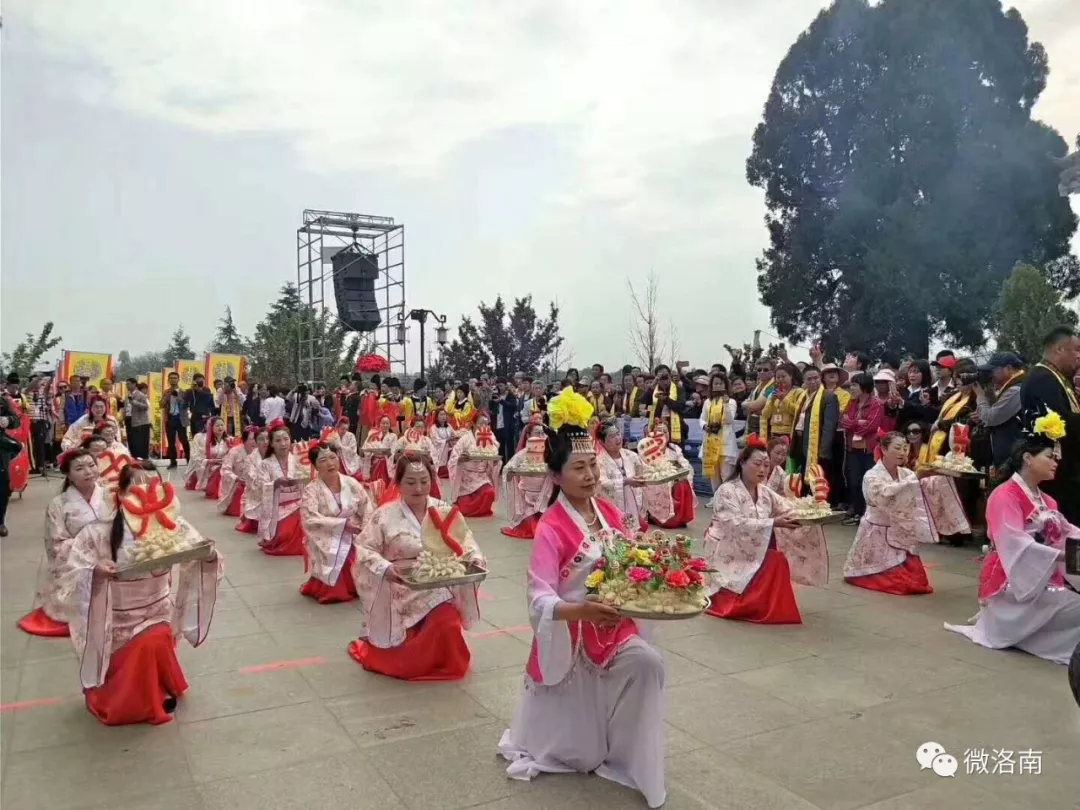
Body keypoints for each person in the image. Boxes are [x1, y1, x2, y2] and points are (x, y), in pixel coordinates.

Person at [498, 390, 666, 809]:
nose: (590, 475)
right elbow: (539, 597)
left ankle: (631, 753)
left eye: (593, 464)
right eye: (579, 467)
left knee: (649, 665)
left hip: (614, 624)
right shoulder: (551, 527)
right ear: (555, 477)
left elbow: (631, 560)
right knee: (580, 755)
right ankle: (593, 741)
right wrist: (582, 610)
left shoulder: (609, 513)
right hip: (573, 634)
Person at [58, 462, 222, 725]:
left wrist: (209, 556)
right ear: (122, 494)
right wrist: (95, 571)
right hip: (117, 615)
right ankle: (135, 696)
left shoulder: (173, 524)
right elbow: (71, 572)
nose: (146, 490)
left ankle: (155, 690)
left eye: (153, 484)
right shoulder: (100, 531)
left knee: (156, 636)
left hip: (157, 608)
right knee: (149, 641)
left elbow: (198, 551)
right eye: (137, 485)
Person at [945, 414, 1080, 663]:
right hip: (1013, 577)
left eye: (1056, 458)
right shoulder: (1004, 495)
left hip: (1042, 574)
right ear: (1028, 458)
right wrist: (1062, 555)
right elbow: (1014, 543)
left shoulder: (1047, 501)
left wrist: (1072, 549)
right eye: (1050, 457)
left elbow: (1069, 533)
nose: (1056, 462)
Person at [349, 453, 484, 679]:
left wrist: (475, 558)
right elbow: (364, 549)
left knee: (446, 618)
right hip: (403, 581)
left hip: (442, 575)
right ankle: (412, 660)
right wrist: (384, 568)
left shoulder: (444, 509)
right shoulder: (384, 515)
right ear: (398, 482)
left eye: (424, 481)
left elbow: (465, 539)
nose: (419, 488)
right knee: (437, 620)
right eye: (410, 482)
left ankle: (444, 661)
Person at [703, 437, 808, 624]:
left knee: (777, 559)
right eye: (757, 464)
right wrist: (773, 522)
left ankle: (766, 605)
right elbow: (733, 524)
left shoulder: (765, 492)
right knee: (774, 560)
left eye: (766, 465)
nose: (762, 470)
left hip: (753, 546)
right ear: (742, 463)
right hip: (727, 547)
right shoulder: (727, 490)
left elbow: (787, 506)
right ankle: (752, 604)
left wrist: (812, 509)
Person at [18, 449, 106, 637]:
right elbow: (57, 544)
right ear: (68, 474)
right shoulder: (58, 504)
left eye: (91, 465)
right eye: (80, 468)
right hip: (78, 562)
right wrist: (89, 555)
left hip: (110, 555)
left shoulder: (110, 496)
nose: (88, 472)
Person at [843, 431, 937, 594]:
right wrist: (916, 477)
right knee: (901, 584)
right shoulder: (871, 476)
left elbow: (919, 492)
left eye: (905, 448)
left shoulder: (906, 473)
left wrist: (937, 476)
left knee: (919, 582)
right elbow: (883, 496)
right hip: (878, 531)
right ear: (884, 450)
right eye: (898, 448)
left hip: (901, 530)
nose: (902, 453)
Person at [299, 442, 375, 604]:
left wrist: (365, 528)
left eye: (333, 457)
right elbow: (309, 518)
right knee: (340, 553)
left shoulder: (351, 483)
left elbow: (366, 505)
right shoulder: (311, 490)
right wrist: (341, 525)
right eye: (323, 460)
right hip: (327, 535)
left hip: (354, 531)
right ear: (315, 466)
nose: (330, 463)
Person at [1020, 326, 1080, 524]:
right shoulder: (1042, 378)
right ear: (1059, 349)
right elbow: (1057, 422)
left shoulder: (1057, 378)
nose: (1079, 356)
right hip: (1055, 475)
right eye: (1077, 349)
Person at [904, 423, 971, 541]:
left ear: (922, 433)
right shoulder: (903, 449)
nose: (911, 435)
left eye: (915, 431)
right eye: (908, 432)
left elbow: (935, 467)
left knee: (940, 483)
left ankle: (953, 530)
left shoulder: (931, 447)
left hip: (927, 481)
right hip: (908, 482)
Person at [254, 420, 306, 556]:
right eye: (277, 440)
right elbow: (261, 487)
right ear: (271, 443)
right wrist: (276, 483)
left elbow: (308, 482)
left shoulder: (298, 459)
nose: (283, 444)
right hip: (277, 506)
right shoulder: (265, 464)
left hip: (299, 502)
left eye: (285, 439)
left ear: (291, 440)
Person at [841, 372, 884, 525]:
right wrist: (857, 423)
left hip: (869, 449)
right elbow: (842, 422)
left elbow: (870, 427)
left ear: (865, 387)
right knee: (854, 481)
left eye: (854, 385)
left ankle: (868, 514)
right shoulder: (851, 403)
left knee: (869, 482)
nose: (851, 388)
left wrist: (853, 423)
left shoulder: (876, 403)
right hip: (853, 448)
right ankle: (857, 511)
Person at [500, 418, 553, 539]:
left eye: (542, 433)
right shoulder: (522, 454)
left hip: (545, 496)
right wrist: (510, 475)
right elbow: (508, 469)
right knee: (532, 526)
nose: (541, 436)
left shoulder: (549, 454)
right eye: (537, 433)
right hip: (526, 498)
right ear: (528, 435)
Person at [974, 352, 1025, 473]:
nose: (991, 375)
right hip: (1010, 455)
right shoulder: (1011, 387)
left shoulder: (1016, 390)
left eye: (994, 370)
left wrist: (980, 396)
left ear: (1008, 368)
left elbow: (991, 418)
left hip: (1013, 458)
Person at [640, 421, 696, 528]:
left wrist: (681, 470)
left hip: (674, 477)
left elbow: (684, 463)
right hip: (656, 479)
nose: (662, 434)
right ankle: (659, 517)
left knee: (683, 483)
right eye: (659, 431)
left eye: (665, 431)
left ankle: (680, 518)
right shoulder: (647, 448)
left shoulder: (674, 448)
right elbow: (645, 468)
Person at [596, 419, 647, 532]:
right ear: (601, 441)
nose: (618, 438)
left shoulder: (632, 456)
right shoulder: (599, 461)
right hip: (612, 506)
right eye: (612, 436)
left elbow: (644, 473)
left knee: (634, 534)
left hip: (633, 503)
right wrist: (626, 481)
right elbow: (602, 482)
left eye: (618, 434)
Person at [447, 411, 501, 517]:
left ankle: (481, 510)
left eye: (486, 424)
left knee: (489, 492)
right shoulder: (465, 438)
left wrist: (494, 461)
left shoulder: (490, 436)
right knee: (465, 506)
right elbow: (453, 458)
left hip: (482, 476)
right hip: (466, 477)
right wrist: (460, 459)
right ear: (474, 423)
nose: (483, 426)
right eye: (481, 423)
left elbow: (494, 453)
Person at [700, 373, 738, 503]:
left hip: (725, 442)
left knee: (725, 473)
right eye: (715, 383)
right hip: (710, 440)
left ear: (726, 386)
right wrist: (705, 426)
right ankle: (716, 497)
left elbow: (730, 420)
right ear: (711, 386)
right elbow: (702, 418)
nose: (718, 386)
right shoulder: (707, 402)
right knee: (713, 473)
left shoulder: (731, 402)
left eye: (721, 383)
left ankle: (727, 499)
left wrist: (726, 405)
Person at [759, 363, 806, 446]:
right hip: (774, 432)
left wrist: (784, 399)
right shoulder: (774, 392)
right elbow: (765, 414)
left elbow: (797, 412)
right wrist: (772, 401)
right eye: (778, 377)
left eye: (783, 377)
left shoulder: (799, 392)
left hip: (790, 432)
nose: (780, 379)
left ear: (791, 376)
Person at [641, 364, 684, 447]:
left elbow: (680, 407)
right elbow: (642, 404)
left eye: (666, 376)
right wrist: (652, 385)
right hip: (656, 430)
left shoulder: (678, 389)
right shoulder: (653, 390)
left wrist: (665, 399)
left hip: (675, 431)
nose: (664, 381)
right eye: (661, 377)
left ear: (670, 376)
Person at [218, 426, 258, 517]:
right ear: (244, 440)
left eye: (256, 439)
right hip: (238, 484)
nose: (254, 442)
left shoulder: (259, 452)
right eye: (251, 439)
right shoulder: (234, 451)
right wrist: (236, 479)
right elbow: (225, 469)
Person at [236, 429, 269, 534]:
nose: (265, 442)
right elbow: (251, 480)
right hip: (256, 492)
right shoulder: (250, 459)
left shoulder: (275, 456)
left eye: (268, 438)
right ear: (256, 442)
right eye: (261, 439)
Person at [161, 372, 191, 467]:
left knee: (184, 440)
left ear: (178, 379)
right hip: (170, 419)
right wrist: (167, 396)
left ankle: (189, 459)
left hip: (180, 418)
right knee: (171, 441)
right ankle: (173, 462)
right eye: (171, 378)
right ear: (168, 380)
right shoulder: (166, 392)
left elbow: (187, 405)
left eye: (175, 378)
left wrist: (179, 398)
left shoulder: (183, 392)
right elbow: (161, 405)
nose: (173, 380)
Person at [360, 415, 397, 483]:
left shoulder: (393, 436)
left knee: (382, 462)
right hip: (374, 461)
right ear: (379, 424)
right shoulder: (373, 434)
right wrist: (369, 439)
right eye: (383, 423)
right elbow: (366, 447)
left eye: (387, 423)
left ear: (390, 424)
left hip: (386, 463)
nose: (385, 425)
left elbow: (393, 451)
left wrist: (384, 452)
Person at [185, 373, 216, 438]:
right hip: (194, 416)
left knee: (204, 436)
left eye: (201, 382)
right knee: (195, 436)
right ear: (194, 381)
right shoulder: (189, 391)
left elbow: (209, 402)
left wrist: (200, 391)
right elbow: (186, 402)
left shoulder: (206, 390)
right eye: (198, 382)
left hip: (204, 416)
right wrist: (193, 390)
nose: (200, 383)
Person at [126, 382, 151, 459]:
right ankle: (135, 456)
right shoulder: (132, 398)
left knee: (143, 441)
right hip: (134, 421)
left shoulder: (144, 398)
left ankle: (143, 457)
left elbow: (147, 409)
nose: (146, 390)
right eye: (144, 389)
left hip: (144, 421)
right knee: (135, 440)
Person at [428, 408, 456, 479]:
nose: (443, 416)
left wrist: (458, 436)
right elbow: (436, 441)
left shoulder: (449, 426)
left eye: (444, 414)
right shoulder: (433, 428)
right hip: (438, 449)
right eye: (441, 414)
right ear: (437, 417)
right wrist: (447, 440)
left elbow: (454, 435)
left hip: (448, 447)